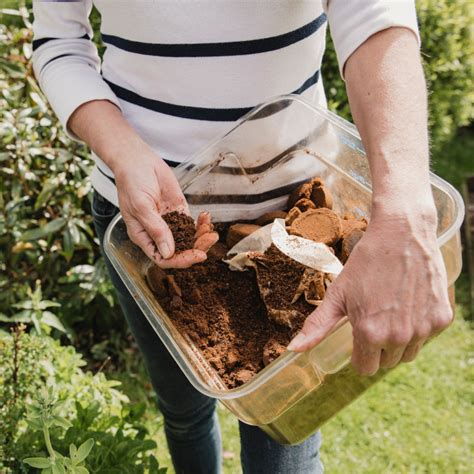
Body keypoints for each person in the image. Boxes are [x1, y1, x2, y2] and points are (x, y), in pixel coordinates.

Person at [32, 1, 453, 472]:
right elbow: (59, 40)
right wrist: (124, 153)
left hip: (294, 223)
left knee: (284, 442)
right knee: (185, 412)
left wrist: (403, 217)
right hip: (148, 223)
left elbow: (374, 13)